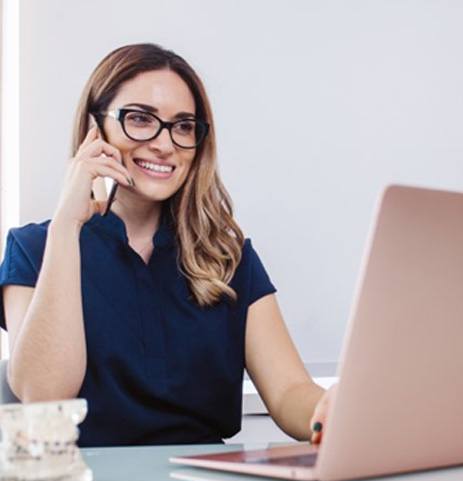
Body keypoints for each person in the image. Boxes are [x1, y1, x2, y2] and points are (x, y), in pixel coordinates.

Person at [0, 43, 334, 447]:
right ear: (95, 127)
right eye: (140, 119)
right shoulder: (34, 248)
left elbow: (289, 392)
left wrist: (329, 410)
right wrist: (67, 224)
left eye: (183, 125)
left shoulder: (227, 256)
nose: (164, 143)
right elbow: (44, 396)